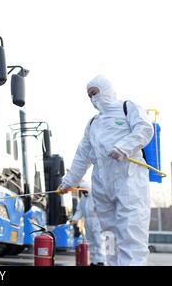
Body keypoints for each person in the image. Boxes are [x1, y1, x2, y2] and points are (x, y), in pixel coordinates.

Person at [58, 75, 154, 266]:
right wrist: (69, 182)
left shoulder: (128, 108)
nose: (93, 99)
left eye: (95, 93)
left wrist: (123, 147)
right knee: (109, 237)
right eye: (89, 96)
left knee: (131, 233)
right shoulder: (93, 123)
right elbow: (82, 155)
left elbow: (144, 128)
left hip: (129, 182)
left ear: (106, 90)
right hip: (102, 187)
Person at [71, 181, 105, 265]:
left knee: (99, 241)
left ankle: (101, 260)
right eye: (82, 191)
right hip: (88, 221)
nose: (83, 192)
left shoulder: (95, 197)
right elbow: (80, 211)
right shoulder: (83, 199)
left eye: (84, 190)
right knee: (91, 242)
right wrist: (74, 219)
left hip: (97, 221)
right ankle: (94, 260)